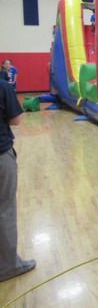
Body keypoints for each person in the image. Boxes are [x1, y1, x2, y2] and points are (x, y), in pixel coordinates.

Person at [0, 78, 36, 282]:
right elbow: (16, 119)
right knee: (4, 208)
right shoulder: (3, 86)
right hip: (1, 155)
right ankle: (8, 266)